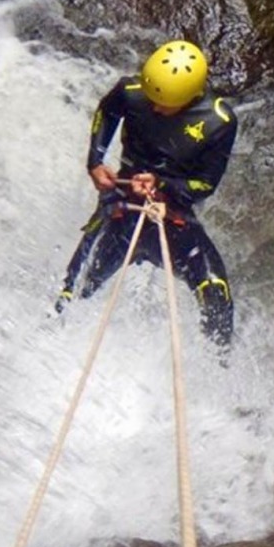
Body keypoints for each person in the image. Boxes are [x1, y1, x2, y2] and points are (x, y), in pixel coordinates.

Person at [55, 40, 238, 349]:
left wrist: (162, 184)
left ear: (188, 99)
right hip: (121, 209)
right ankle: (54, 338)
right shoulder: (132, 92)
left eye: (162, 103)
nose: (153, 106)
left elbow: (205, 185)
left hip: (171, 215)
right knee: (73, 289)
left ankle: (217, 365)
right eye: (151, 97)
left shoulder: (218, 122)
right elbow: (108, 111)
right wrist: (95, 162)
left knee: (216, 291)